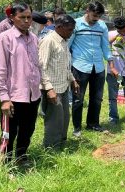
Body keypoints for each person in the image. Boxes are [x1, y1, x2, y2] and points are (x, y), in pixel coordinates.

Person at [0, 3, 41, 163]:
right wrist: (4, 98)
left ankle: (21, 157)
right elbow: (0, 69)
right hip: (13, 96)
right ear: (12, 18)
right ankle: (5, 163)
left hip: (33, 95)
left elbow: (37, 65)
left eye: (29, 17)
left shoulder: (34, 38)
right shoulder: (5, 38)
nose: (27, 21)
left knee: (28, 129)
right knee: (9, 132)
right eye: (22, 17)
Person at [69, 1, 118, 137]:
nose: (96, 18)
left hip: (98, 67)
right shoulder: (76, 24)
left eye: (98, 16)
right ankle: (77, 128)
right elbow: (68, 44)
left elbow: (105, 46)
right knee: (78, 98)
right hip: (80, 66)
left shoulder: (101, 25)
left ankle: (93, 124)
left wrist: (111, 65)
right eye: (94, 15)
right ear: (87, 10)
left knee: (97, 98)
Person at [39, 15, 79, 149]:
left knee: (64, 119)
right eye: (69, 29)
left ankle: (61, 143)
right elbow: (41, 66)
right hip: (52, 89)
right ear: (59, 27)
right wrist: (49, 89)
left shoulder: (64, 41)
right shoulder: (48, 41)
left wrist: (72, 80)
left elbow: (65, 65)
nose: (71, 32)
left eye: (73, 30)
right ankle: (51, 148)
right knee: (54, 121)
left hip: (63, 86)